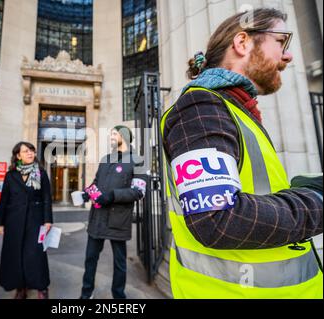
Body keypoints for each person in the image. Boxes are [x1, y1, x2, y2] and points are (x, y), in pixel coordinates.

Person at [160, 8, 323, 298]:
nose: (288, 56)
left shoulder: (236, 111)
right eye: (281, 41)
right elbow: (217, 221)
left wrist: (295, 191)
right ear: (243, 42)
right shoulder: (200, 107)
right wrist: (316, 201)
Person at [79, 126, 146, 299]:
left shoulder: (137, 160)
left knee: (119, 263)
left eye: (114, 134)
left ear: (124, 136)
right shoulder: (106, 159)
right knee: (90, 259)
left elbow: (138, 192)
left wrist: (111, 195)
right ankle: (86, 294)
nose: (111, 137)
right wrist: (87, 193)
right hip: (98, 218)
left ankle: (118, 296)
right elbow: (96, 183)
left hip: (118, 218)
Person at [0, 142, 53, 299]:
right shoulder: (11, 175)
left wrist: (48, 220)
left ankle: (42, 287)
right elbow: (4, 199)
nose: (30, 154)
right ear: (18, 156)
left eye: (32, 151)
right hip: (14, 221)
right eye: (25, 151)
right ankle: (20, 287)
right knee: (15, 254)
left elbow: (47, 197)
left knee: (36, 254)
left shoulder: (41, 173)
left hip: (36, 220)